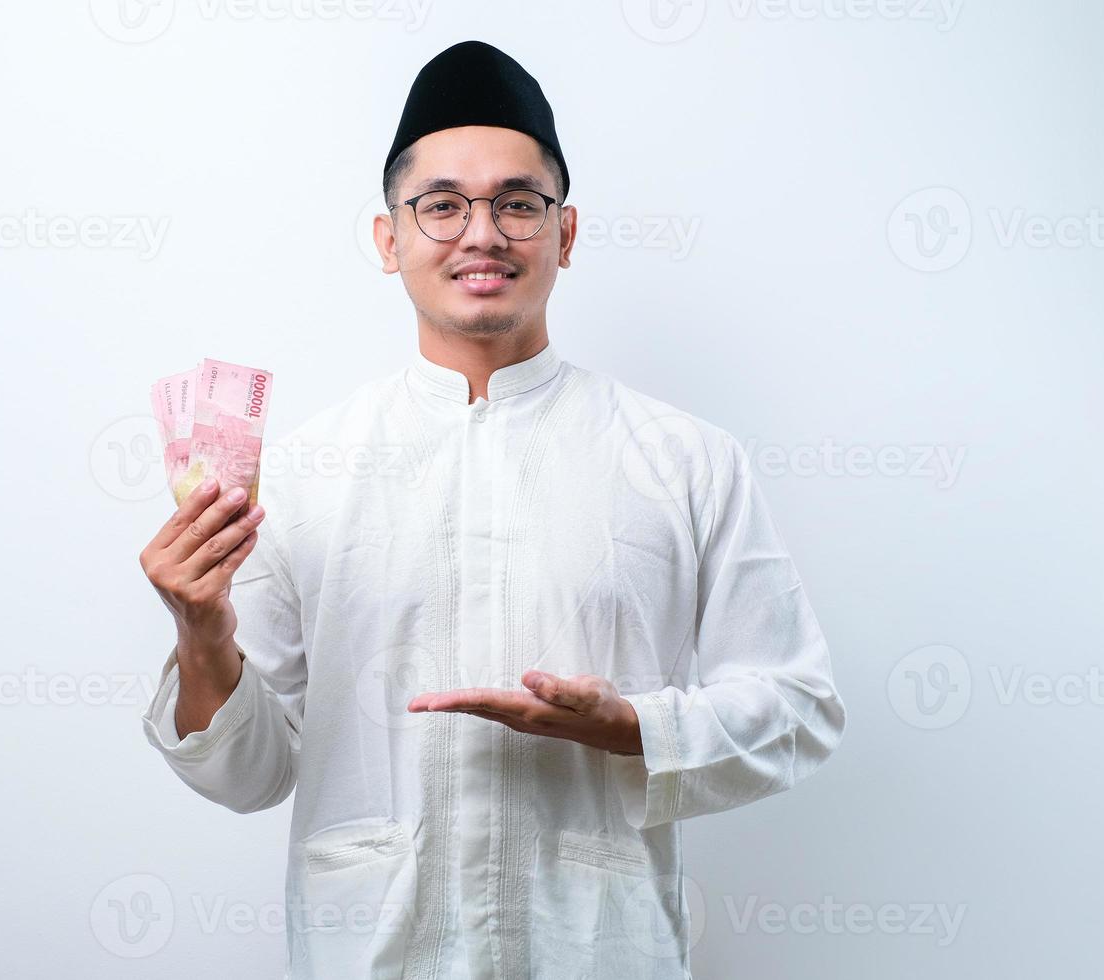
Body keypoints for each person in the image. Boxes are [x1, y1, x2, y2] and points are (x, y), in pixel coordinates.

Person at [138, 39, 846, 979]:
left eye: (518, 203)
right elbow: (249, 772)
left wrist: (636, 726)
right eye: (442, 206)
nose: (482, 234)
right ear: (390, 239)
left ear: (566, 232)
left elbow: (799, 706)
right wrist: (202, 634)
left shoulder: (683, 460)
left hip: (599, 953)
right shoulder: (303, 474)